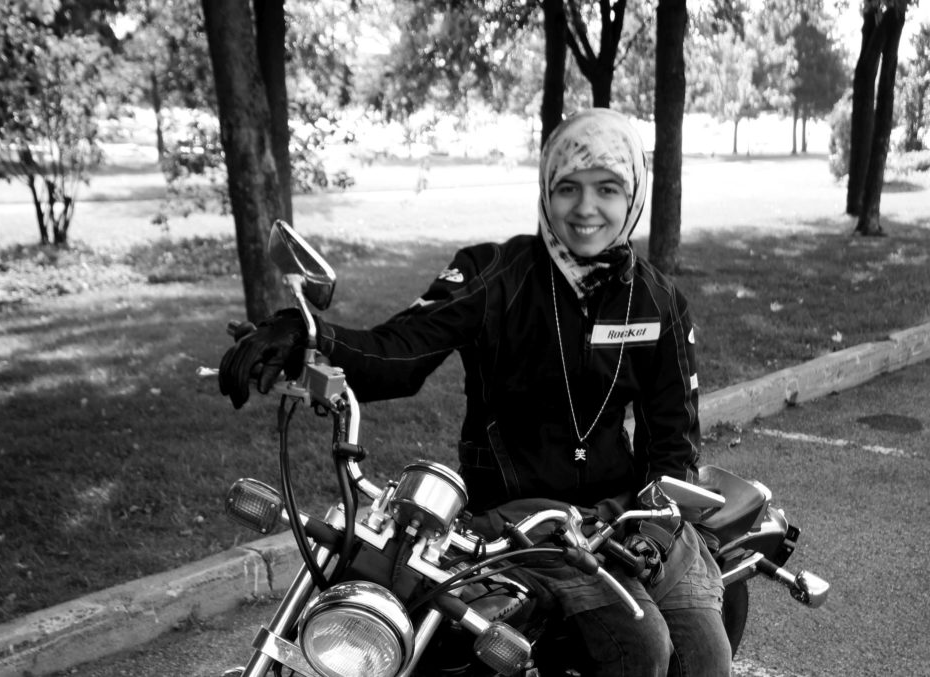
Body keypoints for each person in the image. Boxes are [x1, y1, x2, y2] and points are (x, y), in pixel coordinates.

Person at [218, 108, 733, 677]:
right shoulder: (495, 274)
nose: (586, 209)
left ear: (633, 193)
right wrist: (306, 335)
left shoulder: (659, 303)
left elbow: (675, 447)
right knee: (642, 648)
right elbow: (401, 353)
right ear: (545, 190)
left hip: (632, 517)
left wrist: (653, 529)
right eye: (568, 189)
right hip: (522, 525)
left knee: (706, 658)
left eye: (608, 189)